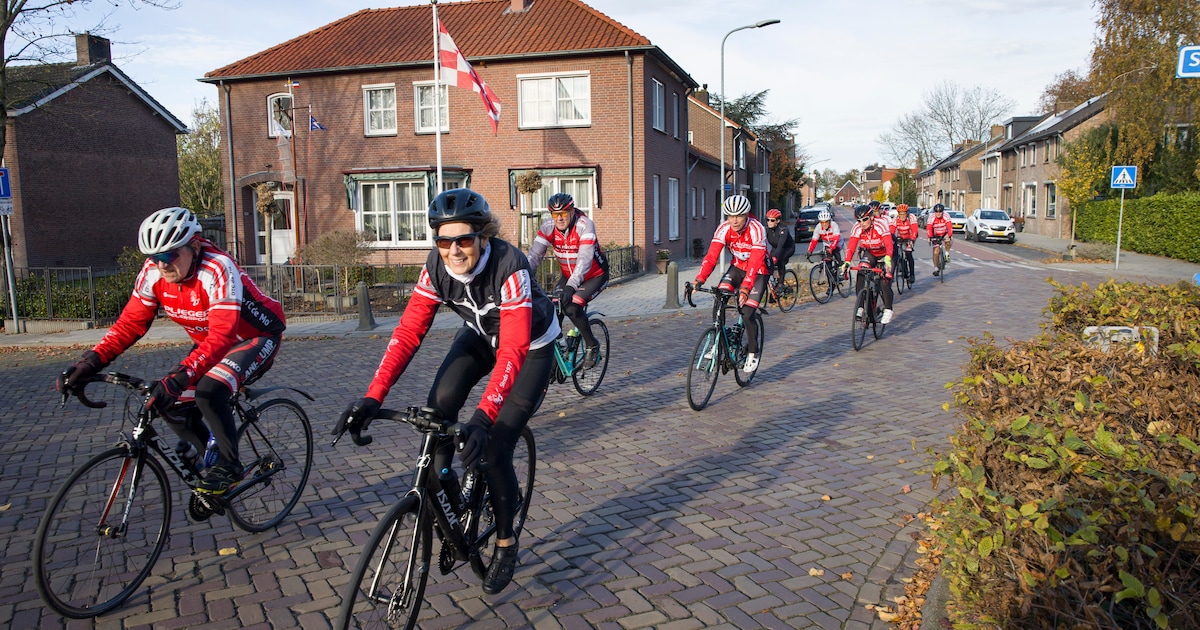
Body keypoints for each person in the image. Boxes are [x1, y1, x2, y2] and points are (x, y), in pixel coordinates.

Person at [334, 188, 557, 595]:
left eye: (464, 240)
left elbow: (512, 350)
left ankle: (505, 543)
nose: (454, 250)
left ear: (483, 237)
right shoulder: (436, 268)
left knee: (492, 448)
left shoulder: (511, 266)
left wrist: (482, 418)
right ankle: (449, 495)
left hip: (531, 349)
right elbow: (406, 334)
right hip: (477, 337)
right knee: (435, 418)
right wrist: (373, 397)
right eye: (443, 240)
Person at [56, 207, 286, 498]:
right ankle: (212, 463)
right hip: (210, 343)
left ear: (194, 245)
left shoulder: (217, 268)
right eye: (153, 258)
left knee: (209, 391)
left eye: (168, 256)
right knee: (167, 403)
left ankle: (229, 466)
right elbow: (129, 325)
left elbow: (222, 335)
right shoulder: (154, 273)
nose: (161, 265)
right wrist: (89, 362)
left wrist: (179, 378)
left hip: (253, 338)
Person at [527, 192, 609, 368]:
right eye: (555, 214)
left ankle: (592, 344)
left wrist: (571, 288)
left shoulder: (584, 225)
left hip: (594, 276)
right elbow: (534, 256)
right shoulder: (549, 227)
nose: (559, 218)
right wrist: (522, 276)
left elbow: (585, 260)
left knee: (572, 306)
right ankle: (562, 349)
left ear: (572, 211)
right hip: (568, 275)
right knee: (551, 310)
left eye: (563, 213)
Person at [693, 194, 767, 373]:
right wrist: (700, 278)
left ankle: (752, 352)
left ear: (746, 215)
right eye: (730, 216)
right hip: (736, 268)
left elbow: (755, 262)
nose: (734, 221)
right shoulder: (724, 229)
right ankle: (717, 342)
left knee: (748, 312)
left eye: (739, 216)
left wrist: (745, 288)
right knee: (720, 298)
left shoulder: (756, 229)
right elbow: (712, 256)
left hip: (757, 272)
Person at [843, 204, 894, 324]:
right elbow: (851, 246)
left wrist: (888, 258)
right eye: (859, 220)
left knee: (884, 280)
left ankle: (888, 309)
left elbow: (888, 244)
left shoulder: (880, 224)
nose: (862, 223)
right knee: (861, 272)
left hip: (885, 254)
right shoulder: (857, 228)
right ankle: (860, 307)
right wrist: (847, 261)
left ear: (871, 217)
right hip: (871, 253)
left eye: (865, 219)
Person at [763, 208, 795, 291]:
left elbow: (780, 245)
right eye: (767, 220)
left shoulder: (783, 229)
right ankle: (773, 288)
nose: (769, 222)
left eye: (772, 220)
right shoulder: (766, 229)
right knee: (768, 264)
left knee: (779, 260)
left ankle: (781, 284)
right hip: (774, 248)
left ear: (778, 221)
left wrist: (775, 257)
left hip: (787, 248)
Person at [806, 208, 844, 274]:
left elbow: (836, 239)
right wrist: (809, 251)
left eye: (826, 222)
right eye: (822, 222)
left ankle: (841, 265)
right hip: (827, 244)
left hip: (837, 242)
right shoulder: (818, 227)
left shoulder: (834, 225)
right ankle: (831, 281)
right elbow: (814, 241)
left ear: (829, 221)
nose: (824, 224)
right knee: (827, 262)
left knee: (835, 251)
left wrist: (831, 248)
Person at [891, 204, 919, 283]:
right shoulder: (896, 219)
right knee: (897, 253)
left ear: (907, 213)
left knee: (908, 253)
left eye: (904, 214)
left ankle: (912, 275)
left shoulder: (911, 217)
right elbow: (892, 231)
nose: (902, 216)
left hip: (910, 237)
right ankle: (902, 266)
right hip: (900, 237)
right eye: (900, 214)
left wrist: (912, 239)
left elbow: (914, 230)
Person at [927, 203, 954, 276]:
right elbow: (929, 228)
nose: (938, 214)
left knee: (948, 240)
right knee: (936, 252)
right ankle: (936, 268)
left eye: (940, 212)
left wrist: (949, 234)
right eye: (936, 212)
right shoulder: (931, 217)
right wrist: (929, 237)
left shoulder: (946, 216)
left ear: (942, 212)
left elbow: (949, 226)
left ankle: (947, 254)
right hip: (936, 234)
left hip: (944, 233)